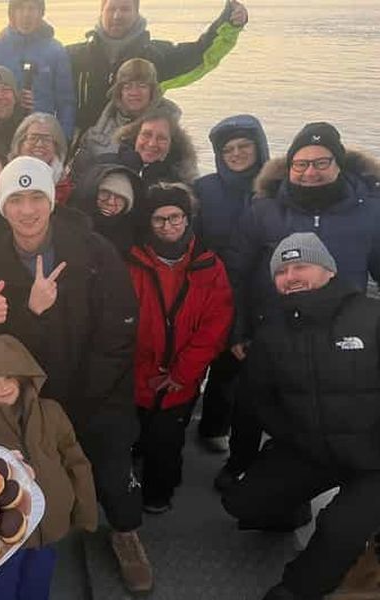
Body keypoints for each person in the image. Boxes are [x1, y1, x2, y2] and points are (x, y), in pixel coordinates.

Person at [0, 157, 152, 592]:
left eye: (36, 196)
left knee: (113, 464)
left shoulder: (94, 250)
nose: (27, 210)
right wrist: (18, 314)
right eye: (15, 200)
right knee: (35, 465)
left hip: (98, 387)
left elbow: (120, 329)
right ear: (3, 207)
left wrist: (84, 395)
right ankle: (45, 528)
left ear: (51, 200)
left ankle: (126, 532)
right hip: (37, 392)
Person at [220, 122, 380, 490]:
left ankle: (332, 475)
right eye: (301, 164)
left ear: (339, 164)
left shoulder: (370, 212)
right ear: (289, 167)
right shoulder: (264, 211)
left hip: (340, 330)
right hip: (272, 327)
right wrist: (239, 329)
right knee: (253, 401)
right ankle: (240, 462)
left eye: (321, 163)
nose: (310, 172)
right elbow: (235, 273)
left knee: (328, 404)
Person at [222, 232, 380, 600]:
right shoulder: (273, 332)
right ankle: (296, 510)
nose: (290, 277)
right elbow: (257, 400)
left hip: (373, 460)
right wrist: (289, 439)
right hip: (312, 451)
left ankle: (297, 588)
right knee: (243, 503)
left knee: (338, 529)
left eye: (300, 266)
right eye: (281, 271)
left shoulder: (371, 317)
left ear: (328, 270)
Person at [0, 334, 98, 600]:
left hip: (50, 524)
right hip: (4, 538)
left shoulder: (52, 412)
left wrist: (85, 509)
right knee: (0, 588)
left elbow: (75, 461)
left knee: (38, 582)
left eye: (9, 377)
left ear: (22, 375)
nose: (4, 386)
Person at [128, 183, 233, 513]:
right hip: (136, 375)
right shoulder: (132, 263)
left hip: (181, 381)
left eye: (175, 217)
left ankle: (158, 495)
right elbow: (120, 319)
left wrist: (181, 373)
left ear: (188, 219)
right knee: (134, 433)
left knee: (167, 443)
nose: (168, 226)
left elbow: (216, 325)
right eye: (159, 219)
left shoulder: (209, 265)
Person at [193, 114, 269, 453]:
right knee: (195, 359)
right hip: (207, 290)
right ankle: (178, 418)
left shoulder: (274, 190)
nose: (236, 154)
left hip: (255, 293)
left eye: (244, 146)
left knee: (232, 368)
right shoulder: (205, 188)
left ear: (259, 148)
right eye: (228, 149)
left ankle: (214, 428)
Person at [69, 0, 249, 132]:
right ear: (102, 12)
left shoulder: (156, 55)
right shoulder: (75, 56)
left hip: (139, 147)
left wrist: (229, 24)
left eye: (125, 9)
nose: (117, 15)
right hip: (83, 150)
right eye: (111, 9)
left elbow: (201, 55)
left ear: (136, 13)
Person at [0, 0, 75, 141]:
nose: (26, 15)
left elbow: (66, 102)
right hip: (0, 136)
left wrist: (63, 139)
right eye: (20, 8)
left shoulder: (55, 51)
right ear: (11, 12)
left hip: (40, 137)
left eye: (32, 8)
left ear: (41, 13)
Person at [73, 58, 181, 173]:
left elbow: (185, 175)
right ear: (119, 92)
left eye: (142, 85)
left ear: (152, 91)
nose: (134, 92)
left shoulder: (171, 131)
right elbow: (79, 178)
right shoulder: (96, 134)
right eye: (127, 86)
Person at [70, 161, 143, 256]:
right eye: (104, 193)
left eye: (120, 198)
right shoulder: (67, 227)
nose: (110, 202)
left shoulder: (131, 243)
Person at [114, 104, 198, 186]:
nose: (152, 144)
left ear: (172, 145)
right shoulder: (110, 167)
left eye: (161, 138)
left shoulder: (182, 185)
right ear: (135, 137)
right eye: (146, 135)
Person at [9, 112, 72, 203]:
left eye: (47, 139)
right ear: (20, 143)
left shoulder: (64, 186)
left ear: (56, 146)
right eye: (33, 138)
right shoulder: (3, 176)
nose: (39, 144)